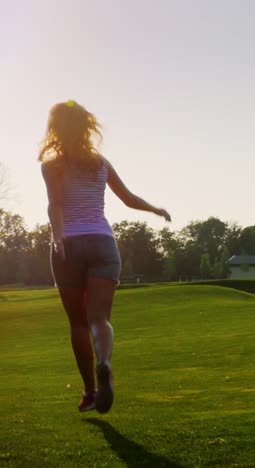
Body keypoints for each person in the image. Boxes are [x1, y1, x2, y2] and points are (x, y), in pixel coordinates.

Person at [39, 100, 171, 414]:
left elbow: (55, 204)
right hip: (102, 244)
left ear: (55, 127)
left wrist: (58, 236)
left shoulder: (51, 164)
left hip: (69, 245)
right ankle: (106, 363)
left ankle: (89, 391)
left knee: (77, 323)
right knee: (99, 318)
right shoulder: (100, 162)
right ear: (86, 126)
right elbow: (127, 198)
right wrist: (155, 209)